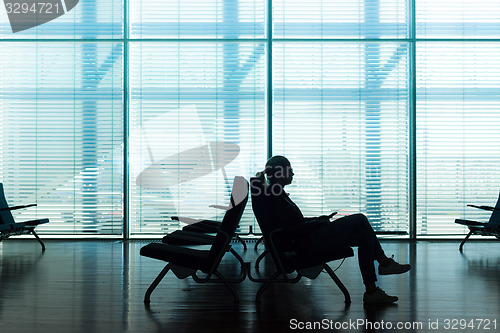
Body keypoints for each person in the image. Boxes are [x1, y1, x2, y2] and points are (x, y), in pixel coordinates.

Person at [261, 155, 411, 304]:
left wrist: (317, 220)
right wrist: (316, 224)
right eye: (290, 170)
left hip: (308, 237)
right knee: (360, 219)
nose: (293, 173)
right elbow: (288, 229)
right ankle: (384, 263)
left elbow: (293, 224)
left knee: (364, 237)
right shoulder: (275, 196)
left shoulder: (277, 193)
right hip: (306, 243)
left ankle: (371, 290)